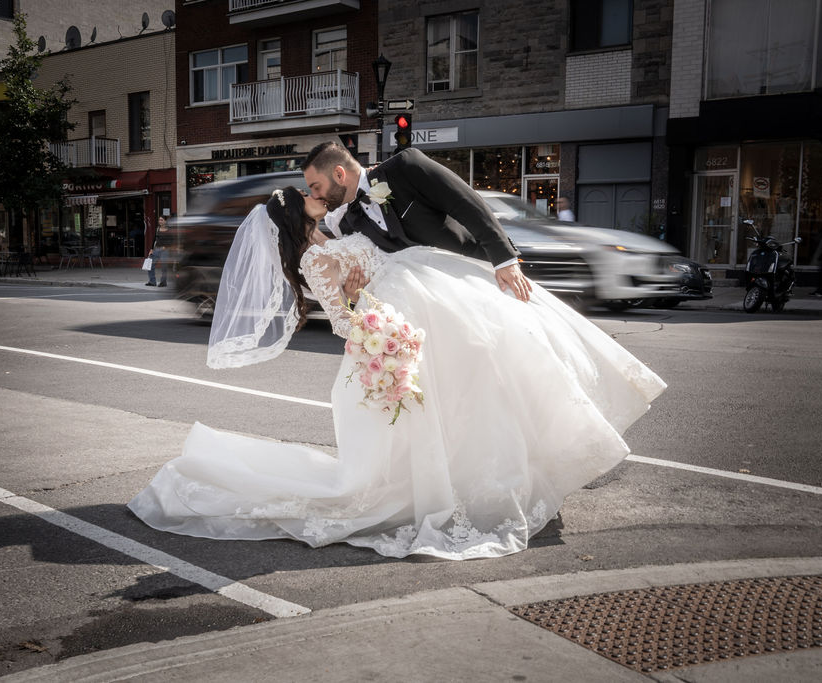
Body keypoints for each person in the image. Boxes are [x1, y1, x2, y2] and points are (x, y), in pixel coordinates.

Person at [128, 186, 666, 560]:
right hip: (390, 344)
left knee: (471, 403)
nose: (318, 194)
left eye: (316, 188)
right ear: (298, 213)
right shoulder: (314, 259)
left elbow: (371, 253)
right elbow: (343, 321)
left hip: (420, 311)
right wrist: (387, 338)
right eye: (310, 195)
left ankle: (486, 478)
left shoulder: (333, 230)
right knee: (425, 437)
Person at [301, 142, 533, 303]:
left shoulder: (405, 167)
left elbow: (465, 202)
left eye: (316, 187)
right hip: (428, 306)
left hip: (476, 277)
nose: (315, 195)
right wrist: (355, 296)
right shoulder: (346, 224)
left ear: (340, 175)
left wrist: (504, 260)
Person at [146, 216, 169, 287]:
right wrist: (151, 249)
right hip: (156, 249)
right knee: (150, 265)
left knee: (164, 267)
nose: (160, 221)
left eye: (161, 220)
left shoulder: (169, 230)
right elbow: (154, 240)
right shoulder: (158, 229)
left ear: (165, 221)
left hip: (165, 250)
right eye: (159, 220)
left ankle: (163, 282)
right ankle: (152, 281)